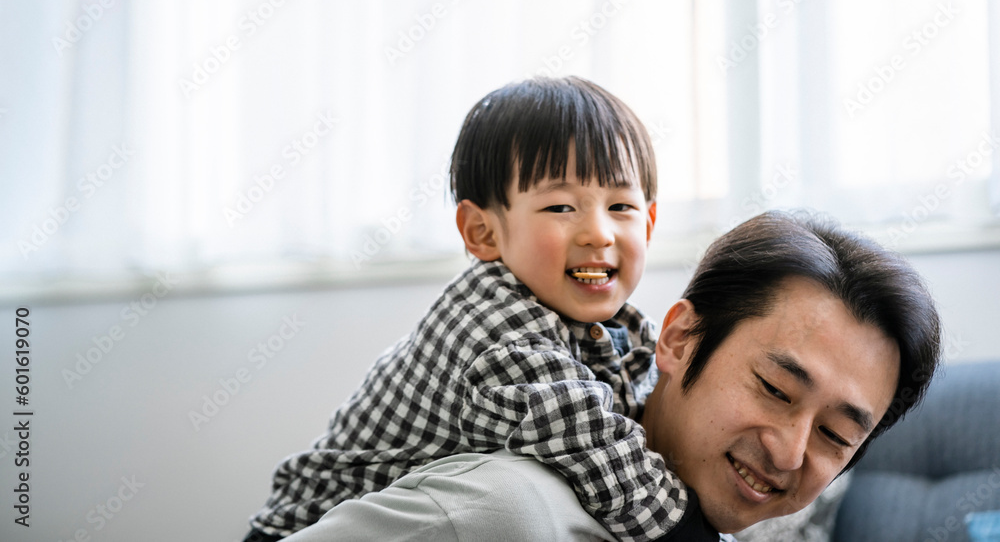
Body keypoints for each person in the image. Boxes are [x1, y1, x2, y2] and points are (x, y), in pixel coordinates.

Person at [278, 210, 942, 541]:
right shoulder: (506, 512)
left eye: (835, 434)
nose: (791, 453)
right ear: (678, 340)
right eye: (774, 389)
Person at [244, 76, 705, 541]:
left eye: (621, 206)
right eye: (561, 207)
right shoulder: (496, 329)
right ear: (483, 232)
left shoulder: (623, 326)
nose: (599, 233)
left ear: (649, 224)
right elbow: (601, 452)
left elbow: (653, 411)